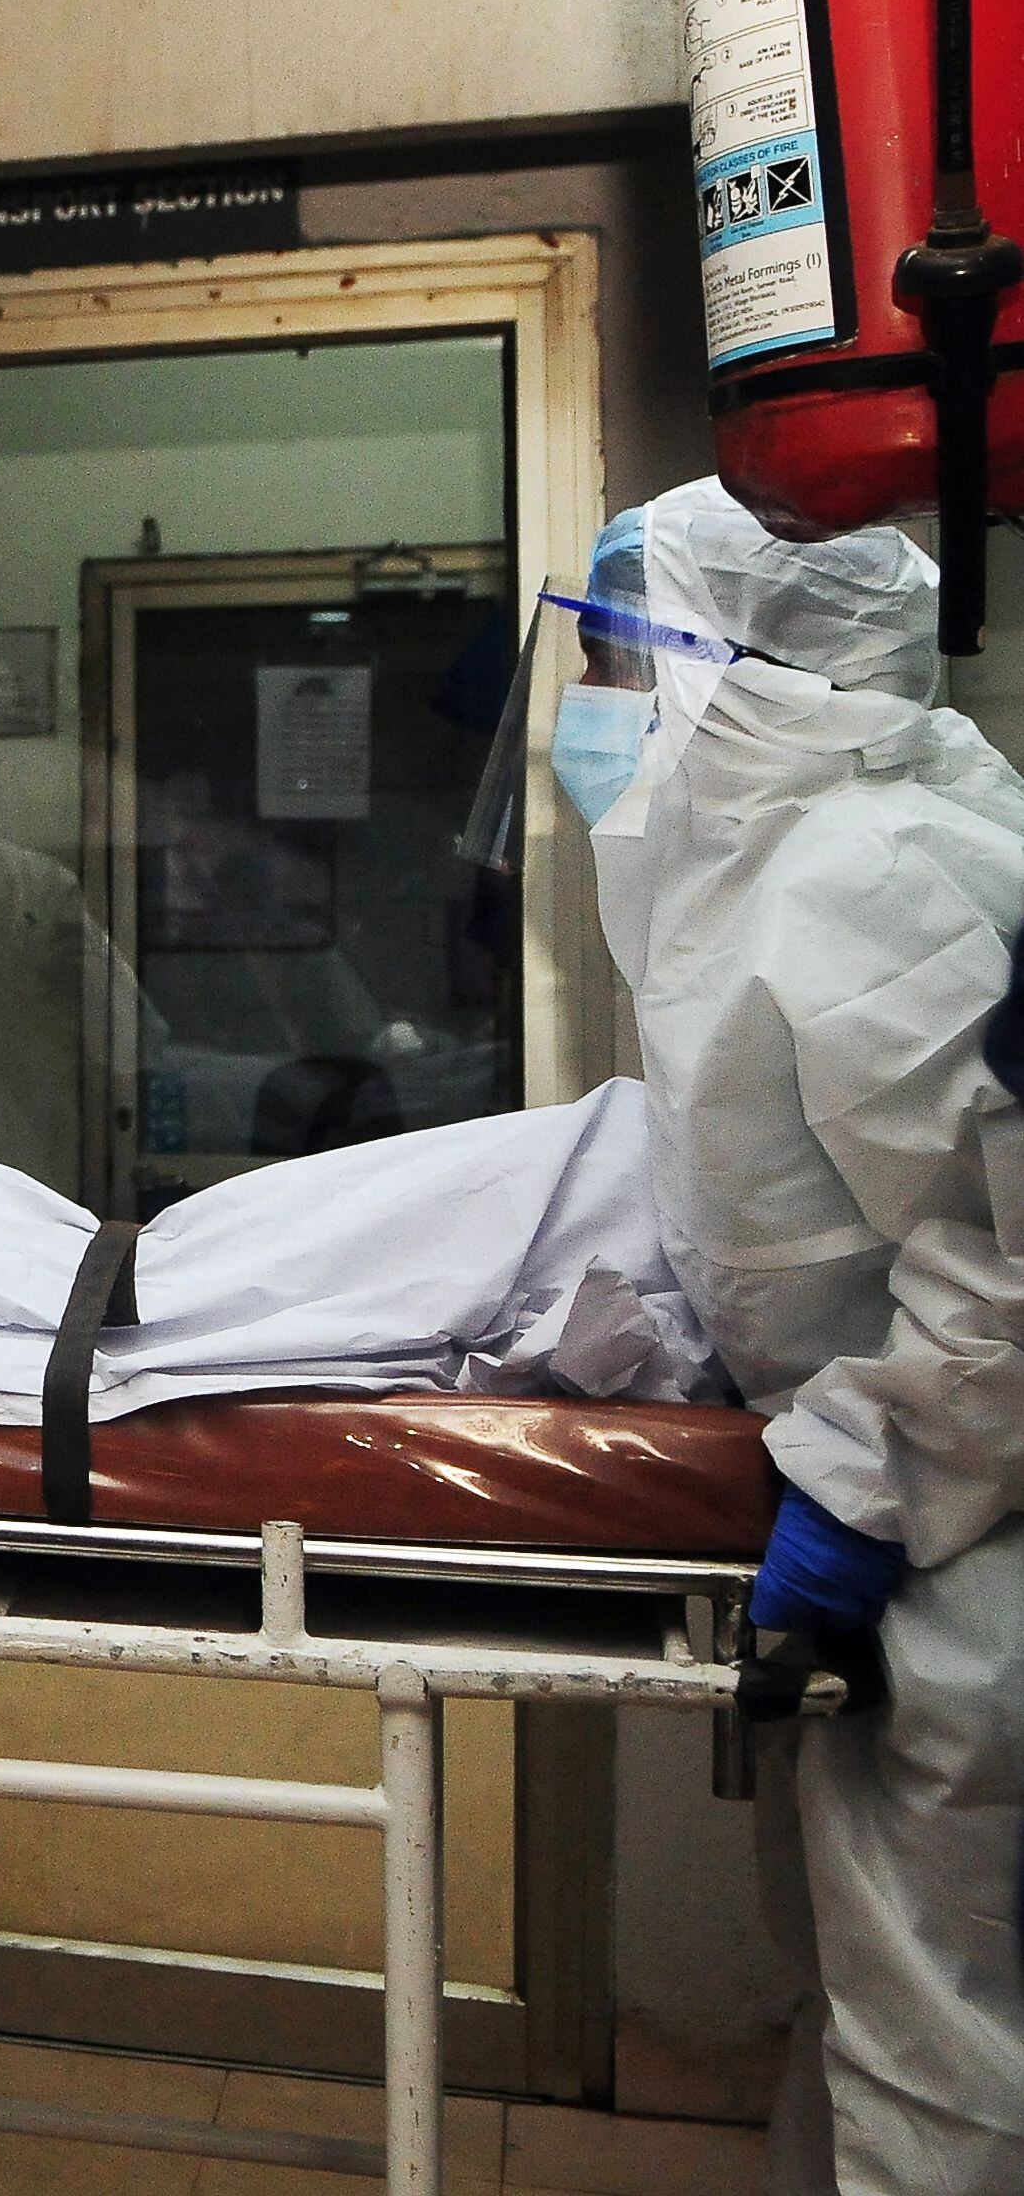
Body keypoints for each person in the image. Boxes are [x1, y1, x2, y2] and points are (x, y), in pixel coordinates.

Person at [552, 480, 1024, 2193]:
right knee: (865, 2008)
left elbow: (1012, 1249)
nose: (592, 704)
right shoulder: (771, 871)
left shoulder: (874, 871)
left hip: (969, 1552)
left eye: (616, 659)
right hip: (914, 1529)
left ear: (734, 669)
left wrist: (866, 1479)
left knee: (944, 2063)